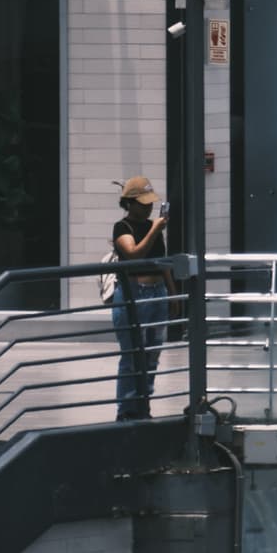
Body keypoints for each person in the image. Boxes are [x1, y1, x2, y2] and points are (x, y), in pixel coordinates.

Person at [109, 176, 174, 420]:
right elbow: (134, 254)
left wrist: (173, 294)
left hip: (158, 292)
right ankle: (126, 410)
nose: (148, 208)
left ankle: (144, 406)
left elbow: (162, 261)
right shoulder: (122, 228)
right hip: (133, 294)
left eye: (150, 203)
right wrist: (156, 229)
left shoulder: (152, 226)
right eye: (143, 203)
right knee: (131, 355)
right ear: (130, 203)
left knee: (152, 355)